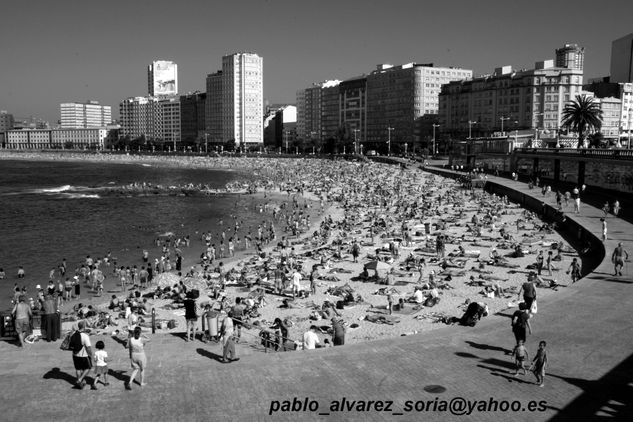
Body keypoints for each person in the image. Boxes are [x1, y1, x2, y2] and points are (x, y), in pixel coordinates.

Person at [72, 320, 93, 389]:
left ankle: (80, 384)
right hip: (83, 355)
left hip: (75, 354)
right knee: (88, 368)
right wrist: (90, 354)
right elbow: (88, 347)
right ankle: (80, 380)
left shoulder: (74, 334)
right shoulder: (85, 336)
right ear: (84, 327)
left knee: (78, 369)